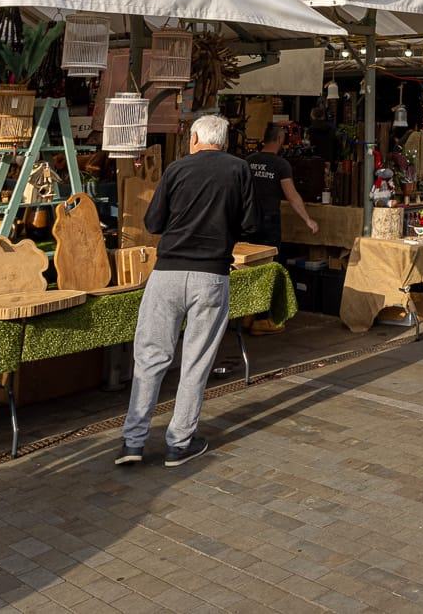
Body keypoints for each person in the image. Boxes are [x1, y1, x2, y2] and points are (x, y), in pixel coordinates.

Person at [117, 114, 256, 468]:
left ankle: (133, 442)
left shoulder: (177, 169)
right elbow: (251, 223)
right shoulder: (239, 169)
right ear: (223, 141)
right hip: (211, 276)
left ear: (194, 139)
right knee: (196, 361)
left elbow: (153, 223)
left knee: (150, 357)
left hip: (167, 274)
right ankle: (179, 443)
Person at [244, 123, 317, 247]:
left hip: (248, 217)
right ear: (279, 139)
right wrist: (307, 219)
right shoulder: (281, 164)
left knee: (249, 257)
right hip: (269, 218)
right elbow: (291, 195)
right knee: (270, 257)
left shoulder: (248, 161)